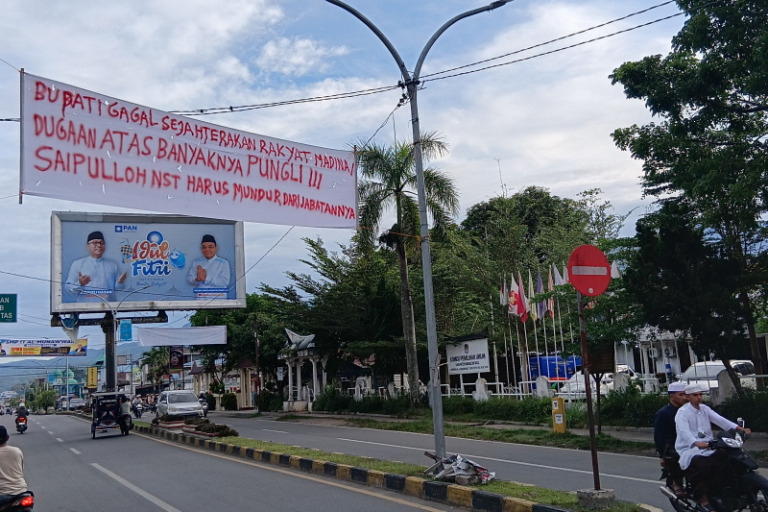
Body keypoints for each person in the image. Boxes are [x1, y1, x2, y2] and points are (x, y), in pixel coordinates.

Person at [675, 383, 750, 511]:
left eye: (700, 394)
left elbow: (720, 420)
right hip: (690, 449)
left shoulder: (704, 409)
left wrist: (739, 429)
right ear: (688, 397)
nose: (699, 397)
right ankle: (702, 499)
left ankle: (725, 490)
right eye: (695, 395)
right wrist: (696, 442)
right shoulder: (682, 413)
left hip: (709, 445)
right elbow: (684, 432)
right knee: (702, 466)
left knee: (726, 458)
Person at [65, 231, 126, 301]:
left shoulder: (112, 265)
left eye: (101, 243)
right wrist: (79, 283)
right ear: (87, 246)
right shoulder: (78, 264)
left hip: (108, 308)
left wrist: (120, 282)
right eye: (95, 243)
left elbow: (118, 289)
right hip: (85, 309)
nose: (99, 245)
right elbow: (68, 288)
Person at [653, 381, 687, 495]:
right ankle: (676, 483)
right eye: (681, 394)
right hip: (671, 446)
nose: (684, 397)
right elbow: (659, 435)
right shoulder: (663, 413)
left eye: (685, 394)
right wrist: (661, 455)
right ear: (672, 396)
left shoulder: (688, 410)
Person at [0, 426, 27, 501]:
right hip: (20, 491)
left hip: (2, 494)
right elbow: (21, 469)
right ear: (7, 438)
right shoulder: (16, 451)